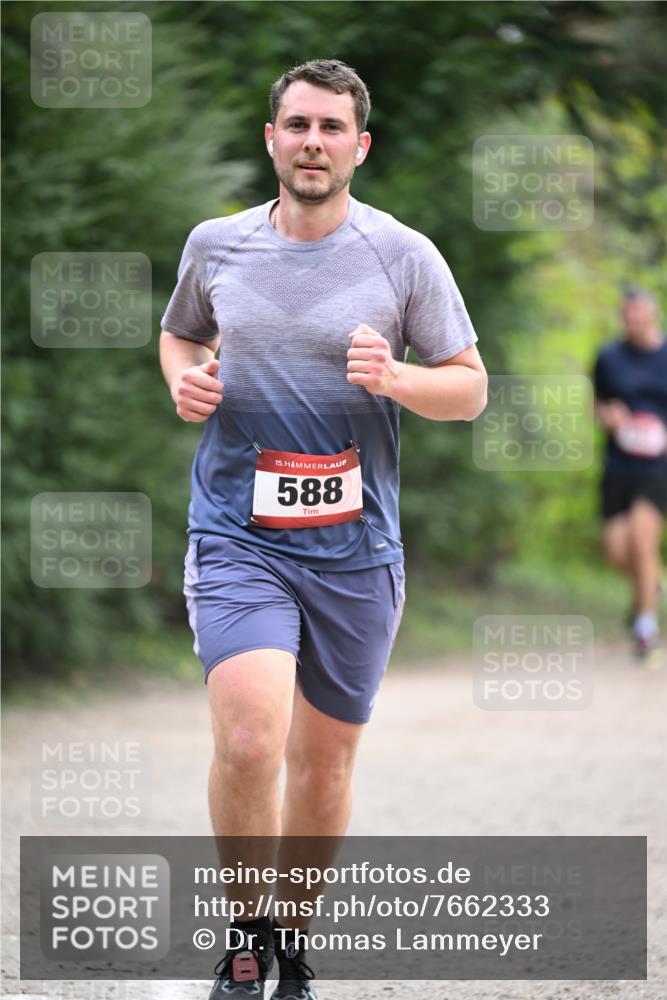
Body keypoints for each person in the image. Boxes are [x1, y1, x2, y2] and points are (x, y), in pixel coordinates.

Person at [159, 58, 487, 1000]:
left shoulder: (403, 256)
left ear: (359, 146)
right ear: (270, 138)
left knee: (324, 759)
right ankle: (245, 938)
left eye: (331, 128)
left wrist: (397, 380)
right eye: (296, 125)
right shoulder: (215, 247)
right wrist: (183, 376)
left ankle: (294, 939)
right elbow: (181, 333)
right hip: (238, 535)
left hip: (354, 549)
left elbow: (467, 388)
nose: (312, 142)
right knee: (254, 739)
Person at [593, 287, 667, 661]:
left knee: (642, 537)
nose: (633, 321)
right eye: (628, 315)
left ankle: (644, 628)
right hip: (619, 465)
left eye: (639, 314)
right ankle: (651, 583)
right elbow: (598, 405)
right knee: (618, 551)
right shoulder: (609, 357)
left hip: (659, 467)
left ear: (652, 314)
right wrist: (609, 417)